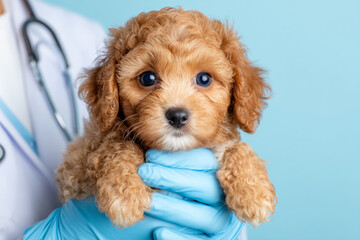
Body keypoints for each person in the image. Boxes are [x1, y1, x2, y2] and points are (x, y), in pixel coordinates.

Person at [0, 0, 247, 239]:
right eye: (148, 80)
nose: (178, 107)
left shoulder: (79, 33)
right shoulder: (114, 58)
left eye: (203, 80)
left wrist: (228, 229)